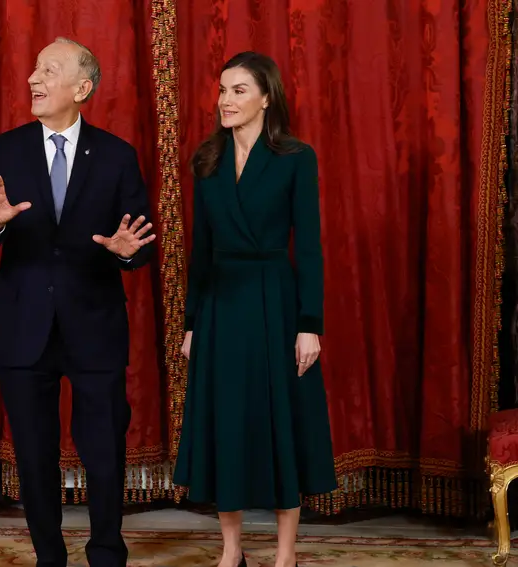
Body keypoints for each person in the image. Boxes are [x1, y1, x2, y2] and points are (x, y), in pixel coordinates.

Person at [0, 37, 155, 567]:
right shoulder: (5, 149)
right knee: (34, 455)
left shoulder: (117, 156)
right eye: (34, 68)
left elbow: (137, 247)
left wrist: (123, 253)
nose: (33, 78)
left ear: (82, 87)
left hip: (94, 325)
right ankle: (50, 556)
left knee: (103, 452)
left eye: (49, 70)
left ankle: (106, 553)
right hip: (23, 328)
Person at [172, 51, 337, 567]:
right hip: (220, 307)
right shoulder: (207, 159)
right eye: (222, 89)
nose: (225, 100)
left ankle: (286, 553)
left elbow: (307, 246)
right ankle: (231, 551)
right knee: (225, 422)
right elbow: (199, 250)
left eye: (239, 90)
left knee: (284, 423)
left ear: (267, 97)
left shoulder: (295, 157)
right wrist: (192, 322)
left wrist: (310, 325)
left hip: (276, 303)